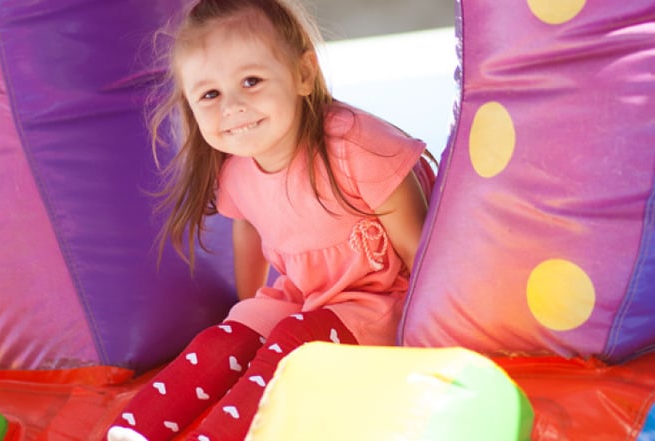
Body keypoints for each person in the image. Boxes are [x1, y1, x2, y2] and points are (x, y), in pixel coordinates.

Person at [107, 0, 435, 440]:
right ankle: (132, 432)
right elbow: (247, 228)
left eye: (251, 80)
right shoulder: (238, 171)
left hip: (378, 302)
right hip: (303, 299)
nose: (233, 106)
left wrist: (432, 345)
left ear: (303, 74)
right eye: (210, 94)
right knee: (220, 342)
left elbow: (422, 255)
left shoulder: (359, 148)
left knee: (292, 345)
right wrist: (248, 317)